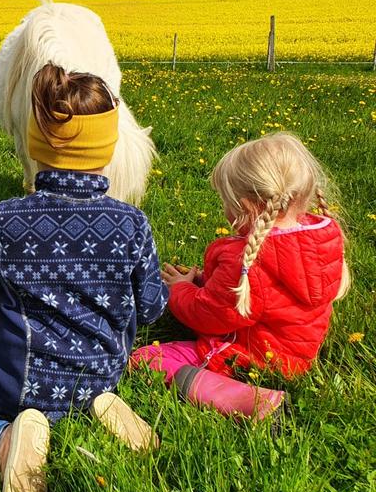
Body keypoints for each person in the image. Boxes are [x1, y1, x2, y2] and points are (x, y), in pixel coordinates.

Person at [0, 64, 168, 492]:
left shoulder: (8, 218)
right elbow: (153, 305)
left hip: (13, 384)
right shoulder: (132, 225)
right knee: (94, 386)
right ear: (107, 149)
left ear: (36, 144)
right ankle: (102, 404)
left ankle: (2, 441)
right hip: (101, 371)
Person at [131, 132, 350, 420]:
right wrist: (205, 282)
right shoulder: (318, 238)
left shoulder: (247, 260)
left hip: (253, 357)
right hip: (294, 357)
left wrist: (180, 290)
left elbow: (208, 314)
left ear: (246, 207)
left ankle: (249, 401)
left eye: (226, 201)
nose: (223, 208)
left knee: (147, 360)